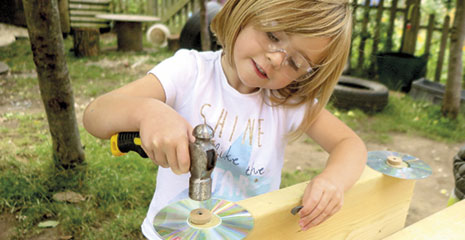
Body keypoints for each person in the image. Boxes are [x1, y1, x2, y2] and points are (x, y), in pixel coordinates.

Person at [83, 0, 367, 239]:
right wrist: (147, 112)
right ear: (246, 11)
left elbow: (349, 144)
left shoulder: (287, 102)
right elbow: (96, 114)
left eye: (295, 62)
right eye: (273, 34)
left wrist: (333, 181)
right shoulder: (189, 72)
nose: (277, 59)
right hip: (172, 232)